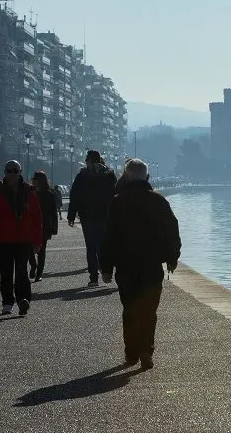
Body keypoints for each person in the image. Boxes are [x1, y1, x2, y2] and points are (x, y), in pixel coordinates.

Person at [99, 158, 181, 369]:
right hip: (151, 264)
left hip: (125, 265)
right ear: (146, 176)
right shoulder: (159, 201)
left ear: (126, 176)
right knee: (149, 310)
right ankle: (146, 349)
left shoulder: (117, 202)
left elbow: (108, 237)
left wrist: (106, 267)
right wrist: (172, 258)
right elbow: (172, 231)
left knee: (130, 308)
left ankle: (131, 352)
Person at [0, 160, 43, 315]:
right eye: (9, 171)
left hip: (24, 239)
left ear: (20, 172)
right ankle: (7, 302)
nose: (12, 174)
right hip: (4, 239)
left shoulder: (28, 192)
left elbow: (37, 219)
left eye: (15, 171)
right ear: (4, 172)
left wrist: (37, 241)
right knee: (6, 272)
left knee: (22, 272)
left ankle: (24, 300)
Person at [67, 150, 118, 286]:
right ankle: (106, 271)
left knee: (91, 247)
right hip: (105, 215)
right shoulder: (109, 175)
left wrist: (71, 215)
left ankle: (93, 277)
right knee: (104, 245)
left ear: (88, 160)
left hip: (87, 216)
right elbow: (116, 194)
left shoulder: (82, 176)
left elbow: (74, 196)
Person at [29, 170, 61, 282]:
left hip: (45, 225)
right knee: (29, 248)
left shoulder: (49, 194)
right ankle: (33, 266)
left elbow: (53, 213)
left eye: (35, 179)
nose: (33, 181)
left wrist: (54, 228)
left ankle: (39, 273)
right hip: (31, 225)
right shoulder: (30, 192)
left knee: (41, 251)